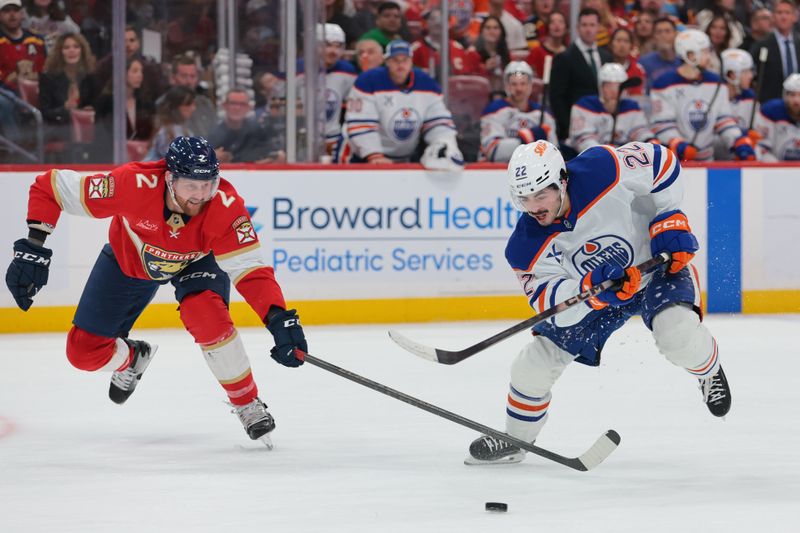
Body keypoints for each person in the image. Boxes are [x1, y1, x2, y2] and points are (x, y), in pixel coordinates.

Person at [4, 136, 308, 447]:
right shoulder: (131, 184)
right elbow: (50, 186)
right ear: (169, 179)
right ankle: (133, 358)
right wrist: (33, 247)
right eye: (191, 185)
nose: (201, 195)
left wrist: (277, 316)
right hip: (129, 261)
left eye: (209, 184)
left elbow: (251, 270)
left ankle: (246, 401)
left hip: (197, 262)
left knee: (206, 315)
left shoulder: (226, 207)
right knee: (82, 352)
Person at [465, 139, 732, 465]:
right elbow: (556, 310)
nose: (533, 206)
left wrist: (668, 214)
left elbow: (662, 162)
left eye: (540, 194)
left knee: (677, 337)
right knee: (533, 364)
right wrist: (590, 290)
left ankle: (709, 371)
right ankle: (516, 440)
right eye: (524, 198)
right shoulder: (524, 247)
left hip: (656, 269)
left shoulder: (602, 168)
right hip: (600, 299)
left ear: (562, 181)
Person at [341, 39, 463, 170]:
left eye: (404, 60)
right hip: (362, 157)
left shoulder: (427, 84)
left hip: (406, 158)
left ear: (411, 62)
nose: (400, 64)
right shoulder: (368, 81)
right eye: (395, 60)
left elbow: (438, 122)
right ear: (386, 62)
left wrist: (444, 143)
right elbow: (360, 123)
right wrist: (374, 155)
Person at [650, 29, 755, 162]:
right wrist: (677, 144)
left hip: (707, 161)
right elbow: (661, 124)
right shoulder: (664, 84)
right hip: (672, 163)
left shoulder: (716, 82)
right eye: (705, 52)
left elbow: (723, 119)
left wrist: (738, 140)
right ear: (690, 55)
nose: (709, 57)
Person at [549, 7, 612, 141]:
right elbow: (556, 98)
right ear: (577, 28)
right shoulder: (564, 58)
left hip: (605, 129)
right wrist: (569, 127)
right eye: (584, 25)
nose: (588, 29)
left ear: (598, 27)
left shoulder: (607, 57)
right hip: (577, 129)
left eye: (592, 25)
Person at [479, 61, 557, 162]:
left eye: (523, 83)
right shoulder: (494, 110)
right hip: (497, 172)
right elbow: (492, 151)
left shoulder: (544, 114)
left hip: (533, 171)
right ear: (506, 85)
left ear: (530, 85)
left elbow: (554, 152)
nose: (519, 89)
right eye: (514, 84)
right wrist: (528, 138)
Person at [568, 63, 655, 151]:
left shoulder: (632, 107)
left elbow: (639, 131)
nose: (614, 90)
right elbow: (583, 139)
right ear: (601, 86)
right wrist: (604, 152)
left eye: (619, 86)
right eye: (609, 85)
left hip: (622, 158)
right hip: (592, 159)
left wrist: (650, 141)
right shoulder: (584, 106)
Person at [38, 32, 98, 148]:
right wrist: (65, 108)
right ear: (60, 52)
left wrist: (90, 108)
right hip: (58, 127)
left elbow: (96, 103)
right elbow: (44, 113)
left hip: (86, 126)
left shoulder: (90, 77)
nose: (72, 51)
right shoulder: (48, 78)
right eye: (66, 47)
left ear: (82, 51)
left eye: (76, 47)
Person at [315, 23, 357, 155]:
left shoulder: (347, 71)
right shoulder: (298, 70)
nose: (334, 51)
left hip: (334, 139)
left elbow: (355, 105)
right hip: (303, 137)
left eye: (338, 46)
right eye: (328, 45)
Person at [749, 0, 800, 104]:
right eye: (779, 13)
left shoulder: (798, 43)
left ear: (795, 17)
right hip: (770, 105)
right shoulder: (761, 45)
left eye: (787, 13)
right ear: (773, 17)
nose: (783, 17)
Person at [207, 87, 271, 163]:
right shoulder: (213, 133)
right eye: (233, 103)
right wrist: (211, 156)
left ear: (249, 107)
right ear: (224, 106)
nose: (237, 108)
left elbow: (269, 153)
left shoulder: (257, 131)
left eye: (242, 104)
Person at [714, 48, 756, 160]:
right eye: (746, 71)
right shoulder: (713, 98)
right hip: (716, 163)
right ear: (732, 74)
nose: (751, 76)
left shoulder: (750, 98)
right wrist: (738, 141)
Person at [0, 0, 46, 93]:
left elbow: (46, 70)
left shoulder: (37, 40)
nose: (12, 14)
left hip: (38, 91)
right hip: (6, 96)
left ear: (22, 14)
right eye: (7, 11)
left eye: (15, 10)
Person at [754, 73, 800, 161]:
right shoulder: (771, 111)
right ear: (785, 95)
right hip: (775, 169)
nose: (796, 101)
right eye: (792, 95)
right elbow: (760, 148)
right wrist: (777, 168)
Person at [146, 85, 196, 160]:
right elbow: (177, 160)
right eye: (188, 104)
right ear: (175, 107)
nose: (193, 108)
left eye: (193, 104)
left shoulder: (185, 130)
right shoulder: (165, 132)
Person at [464, 15, 511, 94]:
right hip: (478, 94)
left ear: (502, 32)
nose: (492, 31)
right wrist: (485, 69)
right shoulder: (472, 53)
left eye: (495, 28)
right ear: (481, 32)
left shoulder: (506, 54)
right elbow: (469, 82)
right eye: (488, 28)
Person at [639, 17, 680, 93]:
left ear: (675, 34)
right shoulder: (644, 62)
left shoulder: (683, 61)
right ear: (654, 36)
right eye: (659, 32)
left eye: (667, 31)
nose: (663, 35)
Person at [525, 10, 567, 78]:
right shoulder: (536, 52)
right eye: (552, 22)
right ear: (547, 27)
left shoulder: (570, 53)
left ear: (566, 28)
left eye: (560, 22)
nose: (557, 25)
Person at [608, 27, 646, 96]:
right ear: (611, 44)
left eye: (626, 41)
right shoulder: (603, 67)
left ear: (631, 46)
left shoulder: (638, 69)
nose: (622, 45)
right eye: (618, 40)